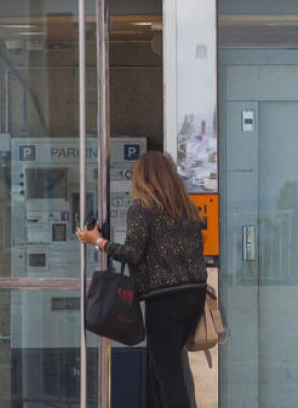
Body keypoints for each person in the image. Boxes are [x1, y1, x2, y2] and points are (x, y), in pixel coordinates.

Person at [76, 151, 207, 408]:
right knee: (168, 366)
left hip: (165, 300)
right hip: (194, 294)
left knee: (168, 373)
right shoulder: (186, 208)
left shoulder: (142, 207)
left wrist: (98, 241)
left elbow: (133, 253)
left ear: (142, 177)